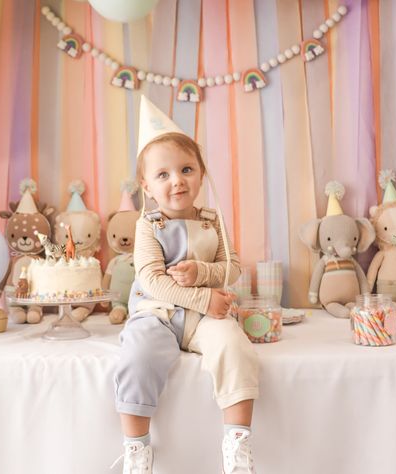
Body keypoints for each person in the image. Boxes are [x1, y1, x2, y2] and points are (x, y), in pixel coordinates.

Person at [111, 97, 259, 474]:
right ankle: (137, 449)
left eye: (186, 169)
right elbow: (152, 280)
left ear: (201, 174)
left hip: (204, 317)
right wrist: (201, 297)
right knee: (138, 355)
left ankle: (238, 442)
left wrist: (203, 276)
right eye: (163, 175)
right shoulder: (148, 225)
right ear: (146, 186)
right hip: (157, 313)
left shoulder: (213, 221)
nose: (177, 180)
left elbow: (233, 268)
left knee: (233, 346)